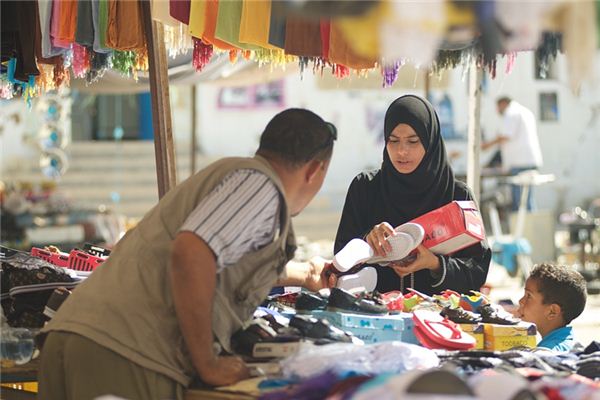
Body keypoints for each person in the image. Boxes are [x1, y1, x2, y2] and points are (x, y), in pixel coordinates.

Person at [38, 109, 338, 399]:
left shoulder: (237, 178)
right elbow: (191, 253)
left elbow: (225, 259)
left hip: (79, 336)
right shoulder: (261, 188)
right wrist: (208, 363)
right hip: (128, 355)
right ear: (316, 169)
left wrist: (307, 274)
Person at [334, 94, 491, 296]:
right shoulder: (365, 188)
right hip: (375, 316)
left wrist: (435, 264)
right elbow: (340, 258)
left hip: (438, 321)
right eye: (393, 140)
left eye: (413, 141)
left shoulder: (457, 196)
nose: (401, 151)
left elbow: (477, 271)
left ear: (430, 141)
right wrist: (367, 240)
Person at [482, 97, 543, 211]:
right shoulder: (524, 111)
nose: (497, 111)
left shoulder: (511, 113)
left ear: (503, 103)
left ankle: (524, 228)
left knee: (520, 202)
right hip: (529, 160)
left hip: (520, 163)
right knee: (527, 199)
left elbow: (505, 136)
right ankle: (529, 226)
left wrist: (487, 145)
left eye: (497, 107)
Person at [516, 263, 587, 352]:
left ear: (552, 311)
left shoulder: (548, 353)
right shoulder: (565, 342)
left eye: (528, 296)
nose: (520, 301)